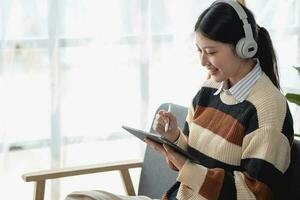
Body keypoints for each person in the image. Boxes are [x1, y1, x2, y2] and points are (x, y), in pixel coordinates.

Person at [66, 0, 294, 199]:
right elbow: (193, 161)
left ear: (245, 47)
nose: (203, 61)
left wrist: (185, 164)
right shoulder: (209, 89)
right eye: (199, 50)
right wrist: (174, 138)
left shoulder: (268, 108)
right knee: (79, 198)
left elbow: (251, 195)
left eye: (211, 52)